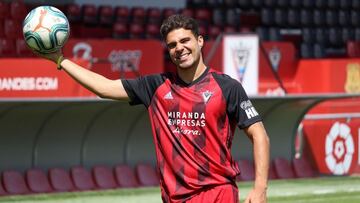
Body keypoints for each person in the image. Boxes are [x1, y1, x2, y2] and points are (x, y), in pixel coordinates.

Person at [39, 14, 270, 203]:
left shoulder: (227, 86)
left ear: (200, 41)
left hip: (217, 193)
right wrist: (61, 60)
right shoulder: (156, 86)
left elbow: (259, 135)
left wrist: (260, 188)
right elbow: (105, 88)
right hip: (174, 198)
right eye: (172, 45)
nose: (179, 48)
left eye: (185, 41)